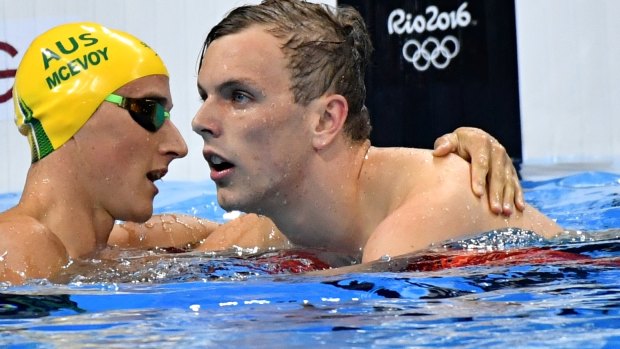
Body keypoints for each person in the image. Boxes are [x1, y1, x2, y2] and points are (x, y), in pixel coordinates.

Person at [0, 20, 522, 284]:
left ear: (325, 119)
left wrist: (452, 167)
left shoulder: (133, 246)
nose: (185, 138)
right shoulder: (20, 253)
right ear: (77, 118)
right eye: (150, 110)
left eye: (238, 97)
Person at [184, 0, 561, 263]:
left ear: (325, 121)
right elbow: (153, 251)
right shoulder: (279, 227)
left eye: (239, 96)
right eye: (205, 95)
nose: (201, 120)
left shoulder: (426, 210)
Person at [0, 22, 190, 284]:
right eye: (149, 111)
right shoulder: (15, 245)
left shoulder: (119, 248)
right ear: (73, 117)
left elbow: (253, 228)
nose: (179, 146)